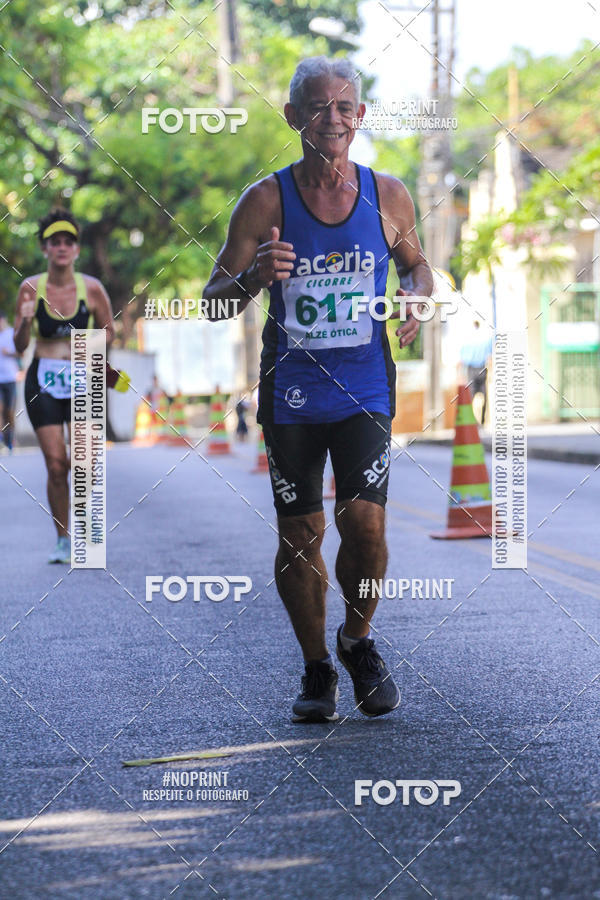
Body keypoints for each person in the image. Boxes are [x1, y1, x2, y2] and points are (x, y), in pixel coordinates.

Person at [203, 57, 433, 722]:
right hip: (292, 391)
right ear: (293, 117)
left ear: (359, 117)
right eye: (316, 107)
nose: (331, 119)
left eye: (343, 107)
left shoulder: (388, 195)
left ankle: (356, 640)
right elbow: (213, 300)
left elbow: (418, 267)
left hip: (364, 384)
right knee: (301, 532)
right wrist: (253, 278)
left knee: (364, 523)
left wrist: (417, 298)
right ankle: (315, 667)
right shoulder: (265, 201)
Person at [13, 208, 115, 564]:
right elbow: (20, 346)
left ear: (76, 249)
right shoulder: (30, 288)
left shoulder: (92, 289)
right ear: (45, 249)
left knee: (84, 463)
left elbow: (110, 331)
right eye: (54, 241)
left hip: (83, 379)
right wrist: (25, 323)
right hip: (43, 380)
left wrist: (89, 347)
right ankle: (62, 539)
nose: (61, 247)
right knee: (57, 465)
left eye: (68, 241)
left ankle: (86, 528)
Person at [459, 319, 493, 425]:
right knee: (484, 395)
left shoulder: (466, 338)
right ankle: (482, 421)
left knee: (471, 395)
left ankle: (473, 421)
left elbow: (462, 360)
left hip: (471, 369)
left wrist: (461, 375)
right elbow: (490, 357)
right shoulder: (486, 338)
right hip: (482, 368)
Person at [0, 311, 18, 453]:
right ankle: (1, 439)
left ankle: (10, 438)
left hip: (10, 378)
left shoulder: (12, 333)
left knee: (9, 411)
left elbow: (21, 353)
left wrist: (9, 353)